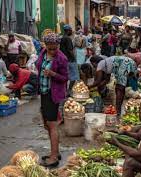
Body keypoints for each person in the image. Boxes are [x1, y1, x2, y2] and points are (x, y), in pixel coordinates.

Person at [36, 33, 68, 167]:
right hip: (44, 92)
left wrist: (53, 74)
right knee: (47, 124)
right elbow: (38, 66)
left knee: (53, 124)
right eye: (50, 48)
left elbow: (65, 78)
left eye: (55, 48)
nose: (53, 51)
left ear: (58, 46)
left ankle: (54, 157)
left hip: (53, 94)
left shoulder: (62, 58)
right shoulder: (43, 53)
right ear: (46, 46)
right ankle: (55, 152)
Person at [60, 24, 79, 94]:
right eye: (71, 30)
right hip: (70, 60)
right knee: (74, 76)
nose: (71, 32)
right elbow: (70, 50)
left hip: (64, 60)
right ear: (68, 31)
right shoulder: (68, 39)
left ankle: (64, 91)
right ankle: (69, 90)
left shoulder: (62, 38)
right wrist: (74, 58)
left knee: (65, 76)